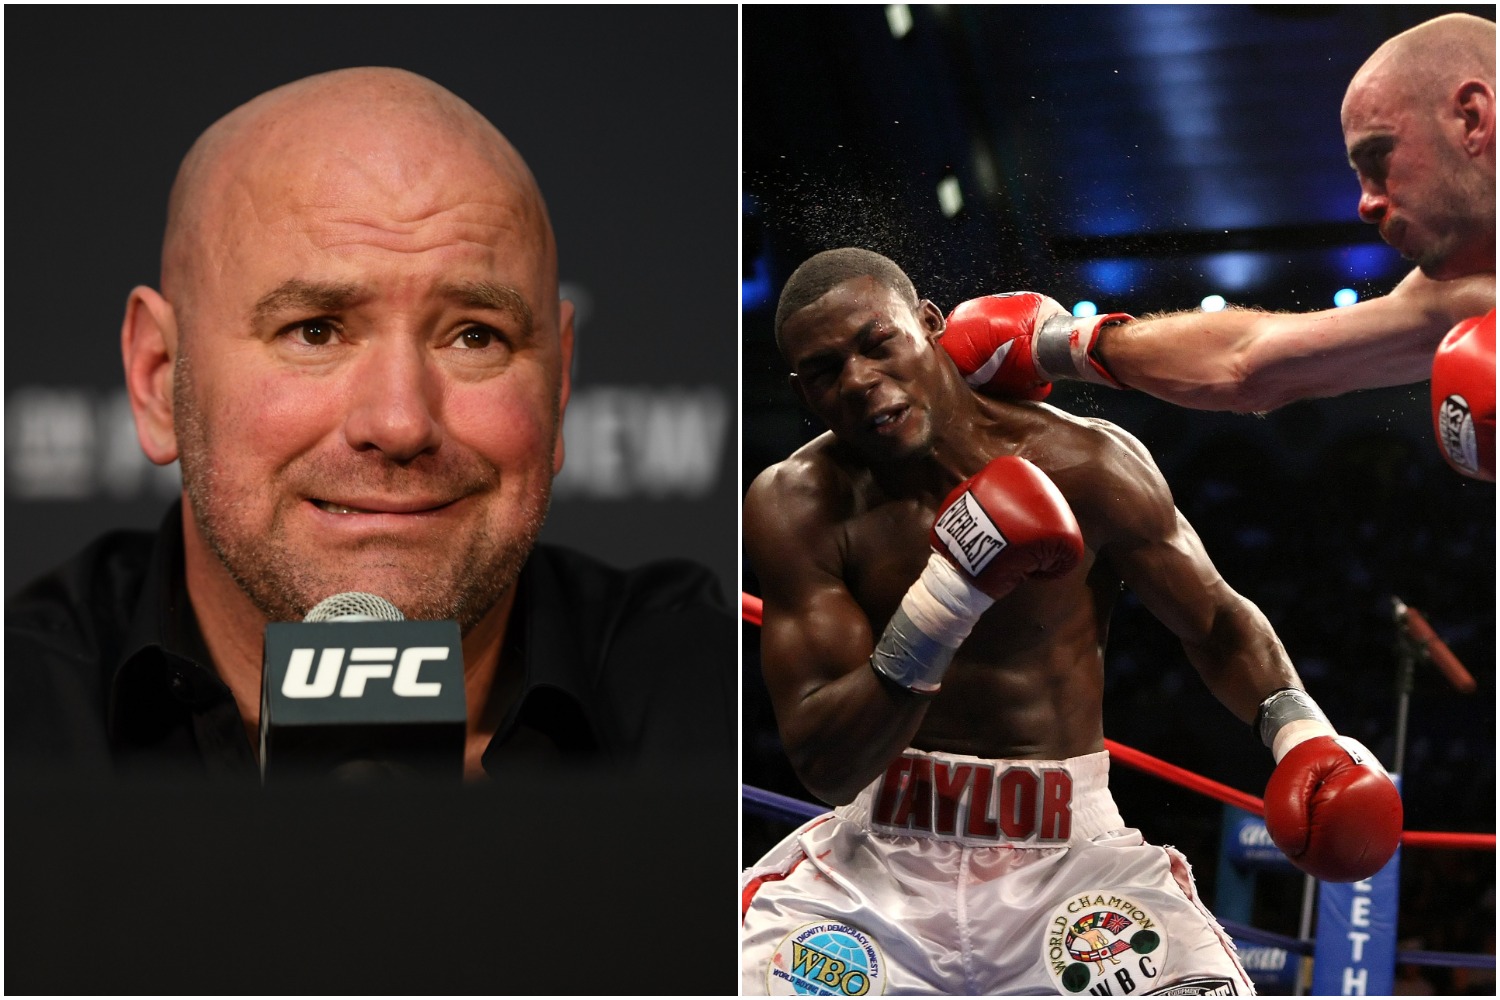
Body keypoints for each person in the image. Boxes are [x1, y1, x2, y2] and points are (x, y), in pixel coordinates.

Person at [5, 68, 732, 782]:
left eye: (475, 336)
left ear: (560, 381)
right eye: (315, 331)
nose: (400, 421)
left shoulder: (718, 702)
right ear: (159, 378)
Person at [740, 248, 1402, 995]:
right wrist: (947, 594)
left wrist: (1302, 735)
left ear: (925, 324)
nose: (859, 381)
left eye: (876, 342)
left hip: (1066, 864)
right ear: (803, 391)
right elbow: (828, 765)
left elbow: (1214, 621)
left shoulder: (1086, 463)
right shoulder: (797, 505)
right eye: (826, 371)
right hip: (876, 869)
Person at [940, 13, 1496, 479]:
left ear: (1472, 116)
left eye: (1379, 159)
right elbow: (1249, 363)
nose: (1367, 204)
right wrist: (1055, 344)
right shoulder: (1460, 292)